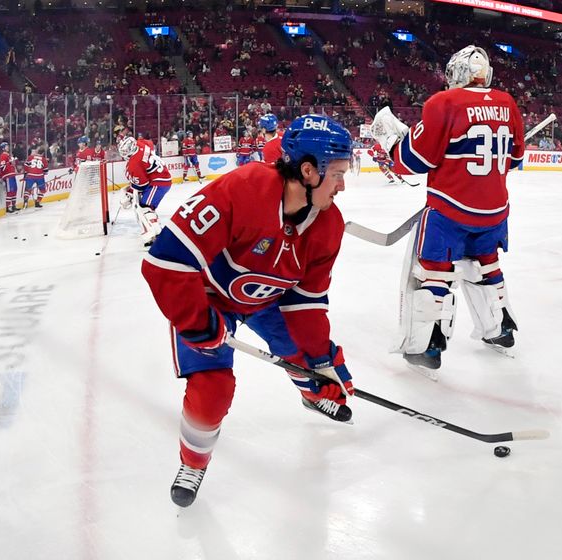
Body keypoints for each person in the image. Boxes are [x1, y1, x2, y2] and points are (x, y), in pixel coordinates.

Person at [141, 114, 355, 508]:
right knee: (213, 389)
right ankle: (194, 461)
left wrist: (322, 361)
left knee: (307, 353)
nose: (343, 185)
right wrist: (198, 323)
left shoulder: (328, 224)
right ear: (308, 171)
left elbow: (306, 304)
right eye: (338, 173)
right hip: (208, 299)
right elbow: (166, 263)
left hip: (267, 297)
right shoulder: (244, 189)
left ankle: (311, 393)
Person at [370, 45, 525, 370]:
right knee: (485, 265)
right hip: (495, 212)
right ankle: (500, 329)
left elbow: (411, 162)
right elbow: (515, 159)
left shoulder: (444, 102)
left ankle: (426, 344)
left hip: (450, 210)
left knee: (433, 269)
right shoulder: (508, 103)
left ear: (456, 73)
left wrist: (391, 141)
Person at [119, 135, 172, 246]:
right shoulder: (140, 143)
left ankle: (156, 233)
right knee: (146, 206)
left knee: (145, 207)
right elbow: (151, 144)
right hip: (161, 176)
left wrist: (130, 193)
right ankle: (154, 232)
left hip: (159, 182)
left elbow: (142, 185)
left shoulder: (134, 163)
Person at [0, 142, 18, 213]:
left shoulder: (9, 155)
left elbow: (11, 164)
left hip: (12, 175)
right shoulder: (3, 156)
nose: (8, 147)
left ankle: (13, 206)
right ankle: (8, 207)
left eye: (7, 146)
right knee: (10, 191)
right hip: (8, 176)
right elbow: (2, 167)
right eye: (6, 146)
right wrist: (9, 163)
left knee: (14, 190)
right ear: (3, 148)